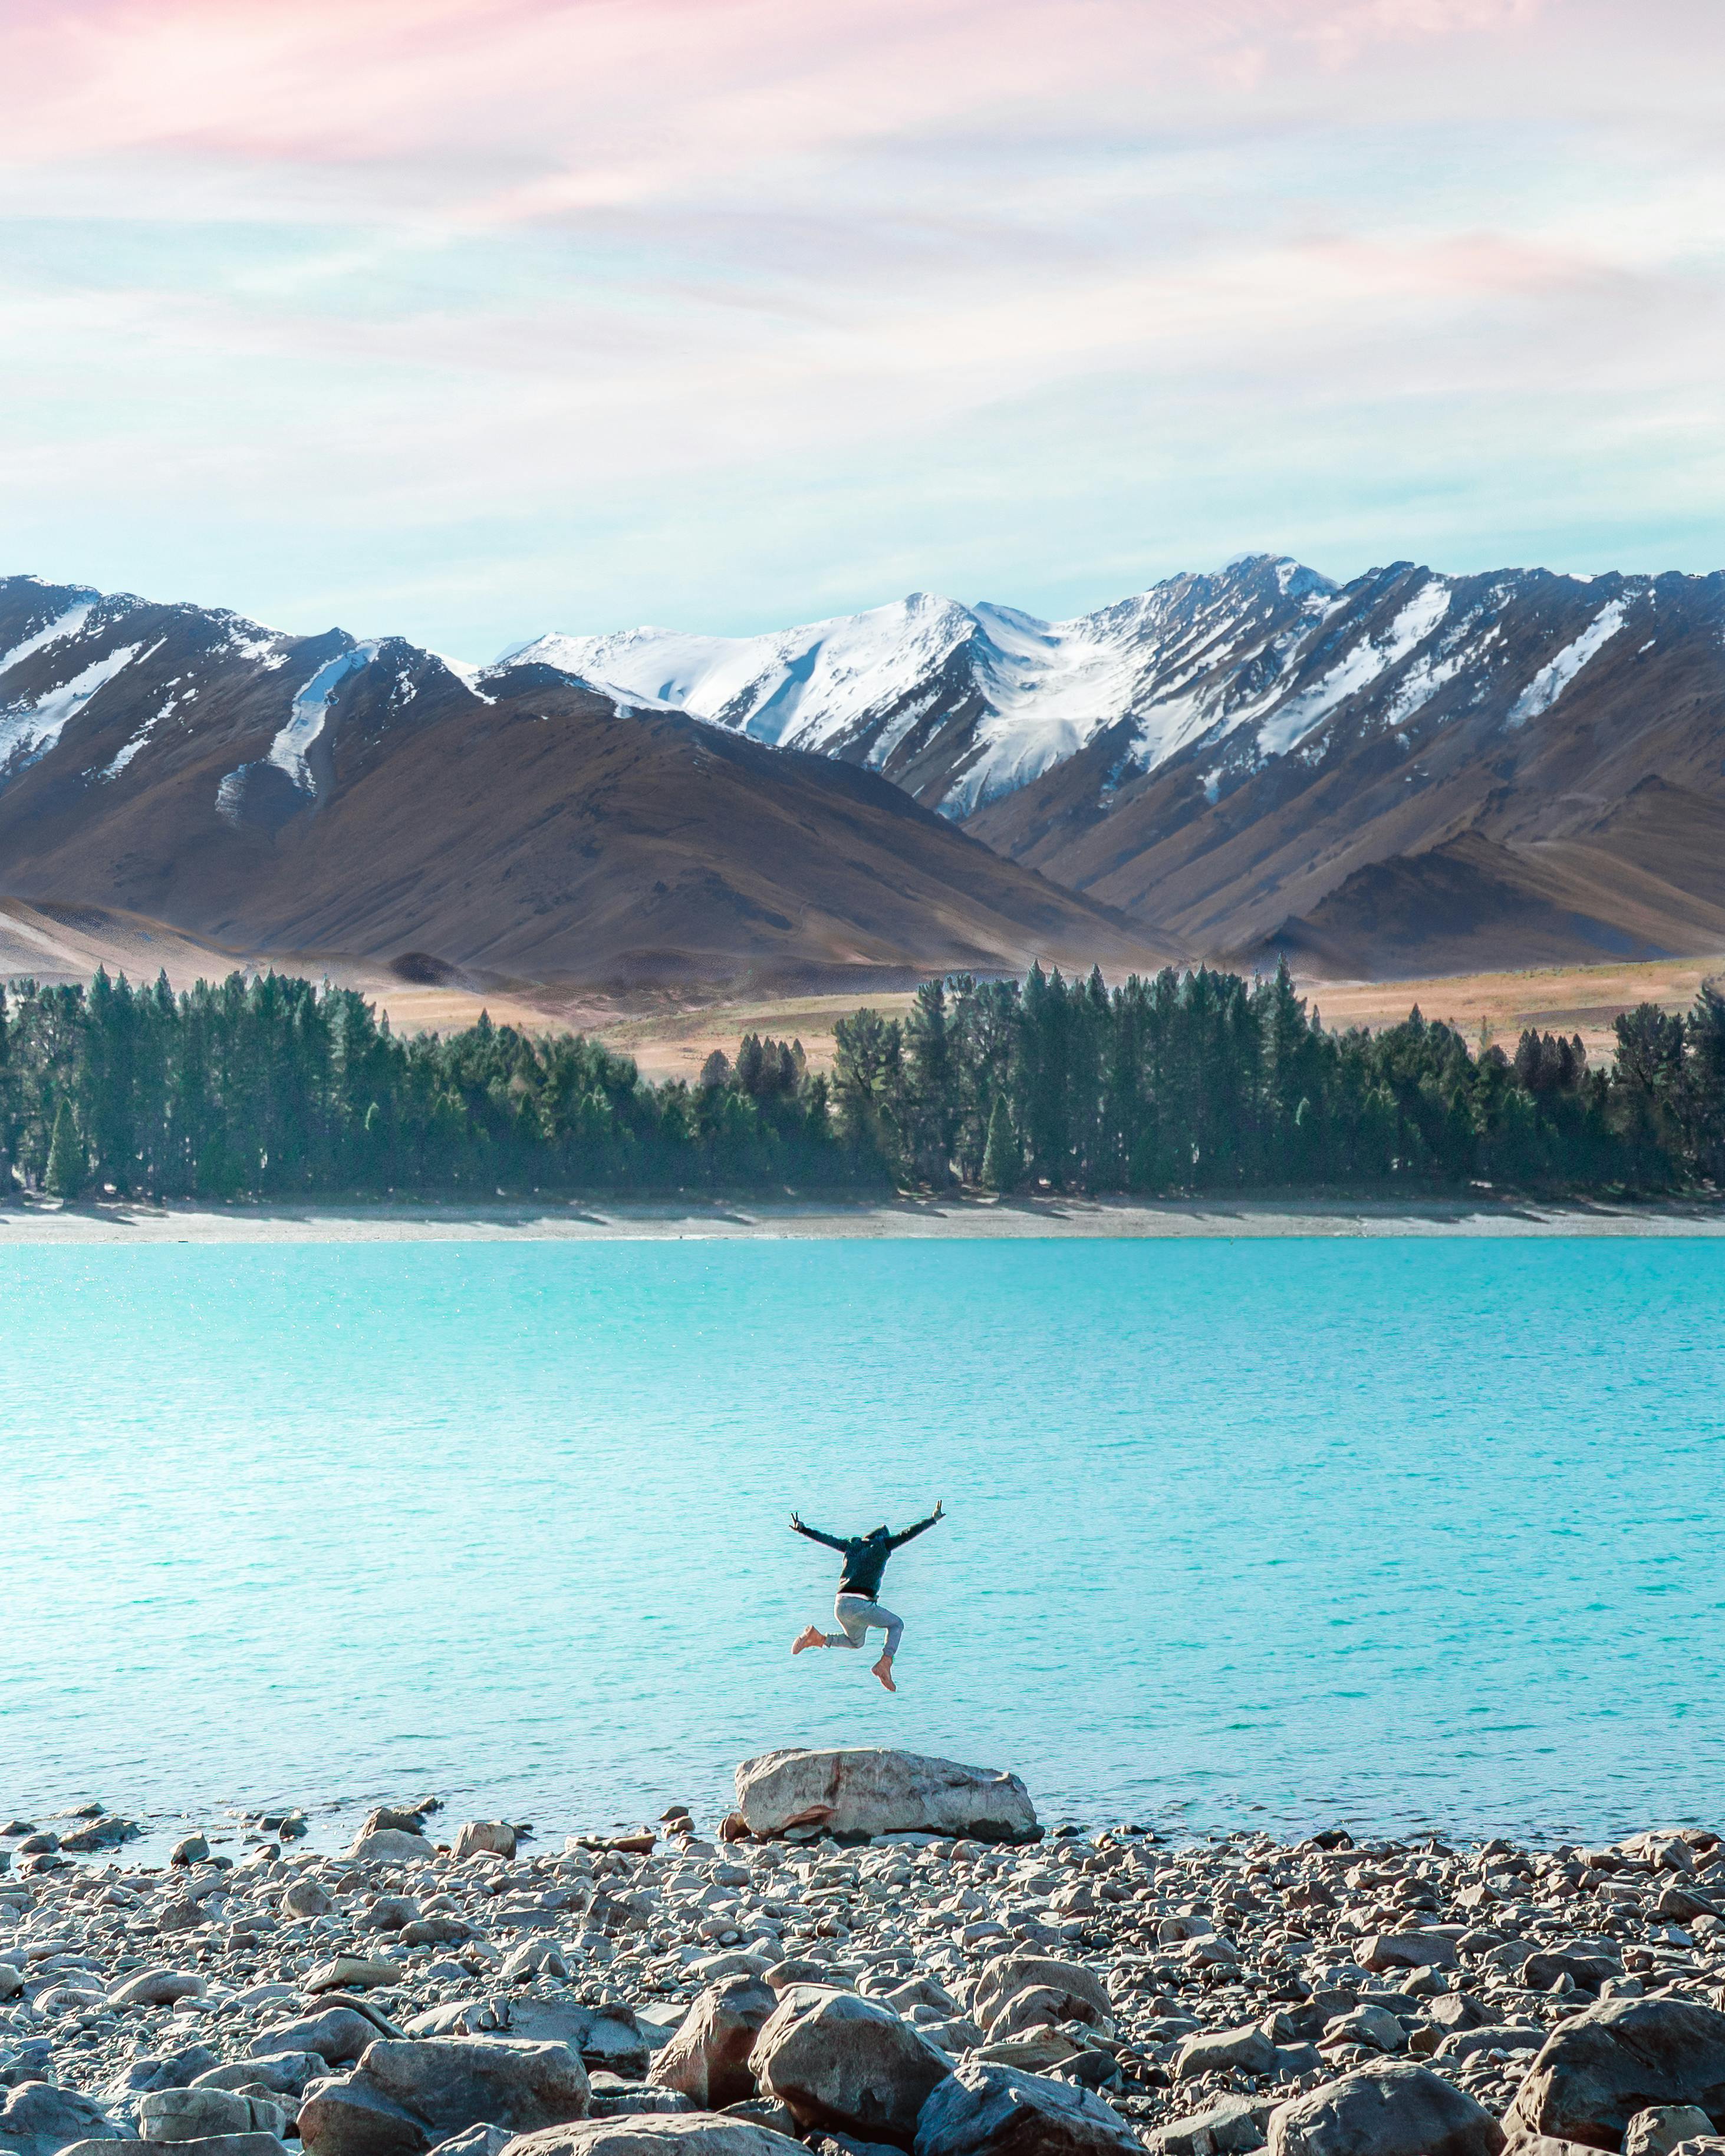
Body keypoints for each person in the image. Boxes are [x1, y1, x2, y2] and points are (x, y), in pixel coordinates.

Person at [788, 1502, 944, 1691]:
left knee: (856, 1642)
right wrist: (933, 1520)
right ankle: (886, 1663)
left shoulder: (851, 1545)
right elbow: (907, 1534)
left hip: (841, 1605)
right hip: (861, 1605)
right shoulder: (883, 1544)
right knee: (897, 1624)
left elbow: (828, 1540)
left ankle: (817, 1638)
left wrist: (804, 1530)